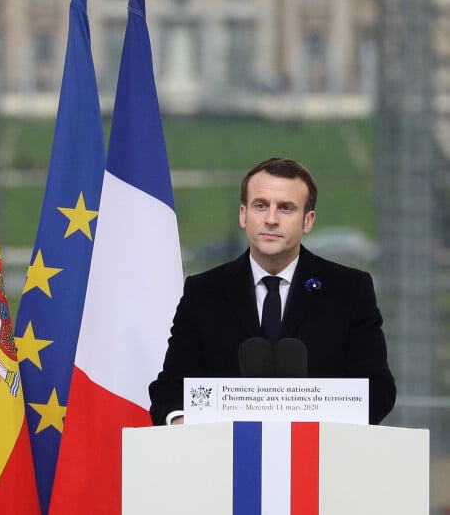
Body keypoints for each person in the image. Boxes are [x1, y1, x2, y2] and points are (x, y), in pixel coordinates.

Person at [149, 157, 396, 426]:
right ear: (243, 214)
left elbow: (377, 389)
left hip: (320, 459)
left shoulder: (349, 290)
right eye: (260, 206)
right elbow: (170, 390)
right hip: (224, 460)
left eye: (286, 208)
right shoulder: (203, 292)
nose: (270, 219)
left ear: (308, 221)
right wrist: (184, 425)